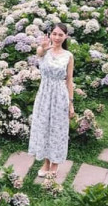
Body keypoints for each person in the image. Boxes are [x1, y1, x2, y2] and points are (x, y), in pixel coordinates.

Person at [28, 23, 76, 179]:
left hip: (59, 96)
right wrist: (43, 47)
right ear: (50, 35)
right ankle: (46, 163)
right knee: (44, 128)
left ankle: (55, 164)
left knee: (57, 129)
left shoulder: (68, 56)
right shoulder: (43, 52)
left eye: (60, 35)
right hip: (44, 95)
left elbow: (69, 81)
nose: (57, 37)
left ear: (65, 37)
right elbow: (39, 53)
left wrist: (71, 103)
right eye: (54, 34)